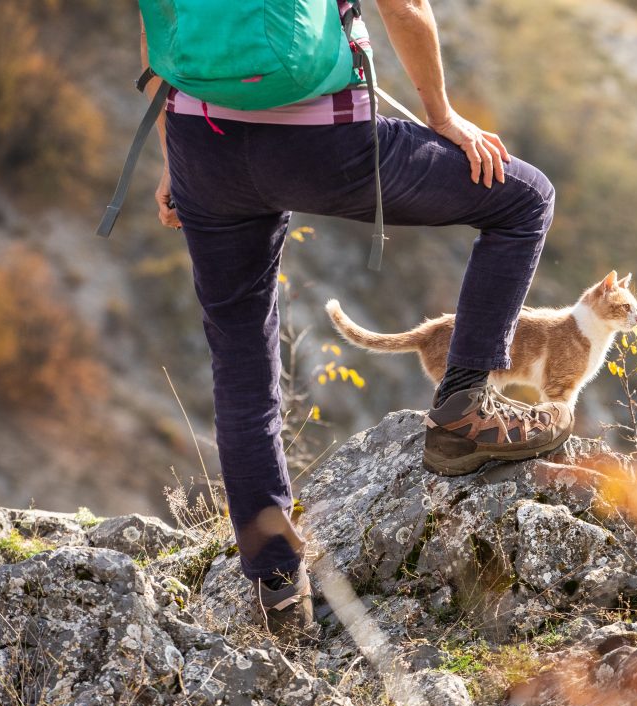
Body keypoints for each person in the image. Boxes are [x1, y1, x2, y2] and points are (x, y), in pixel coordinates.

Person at [142, 0, 573, 640]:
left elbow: (158, 36)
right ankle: (464, 409)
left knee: (239, 359)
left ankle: (276, 586)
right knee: (524, 199)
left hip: (202, 147)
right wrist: (443, 117)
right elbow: (404, 6)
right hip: (323, 146)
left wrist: (173, 160)